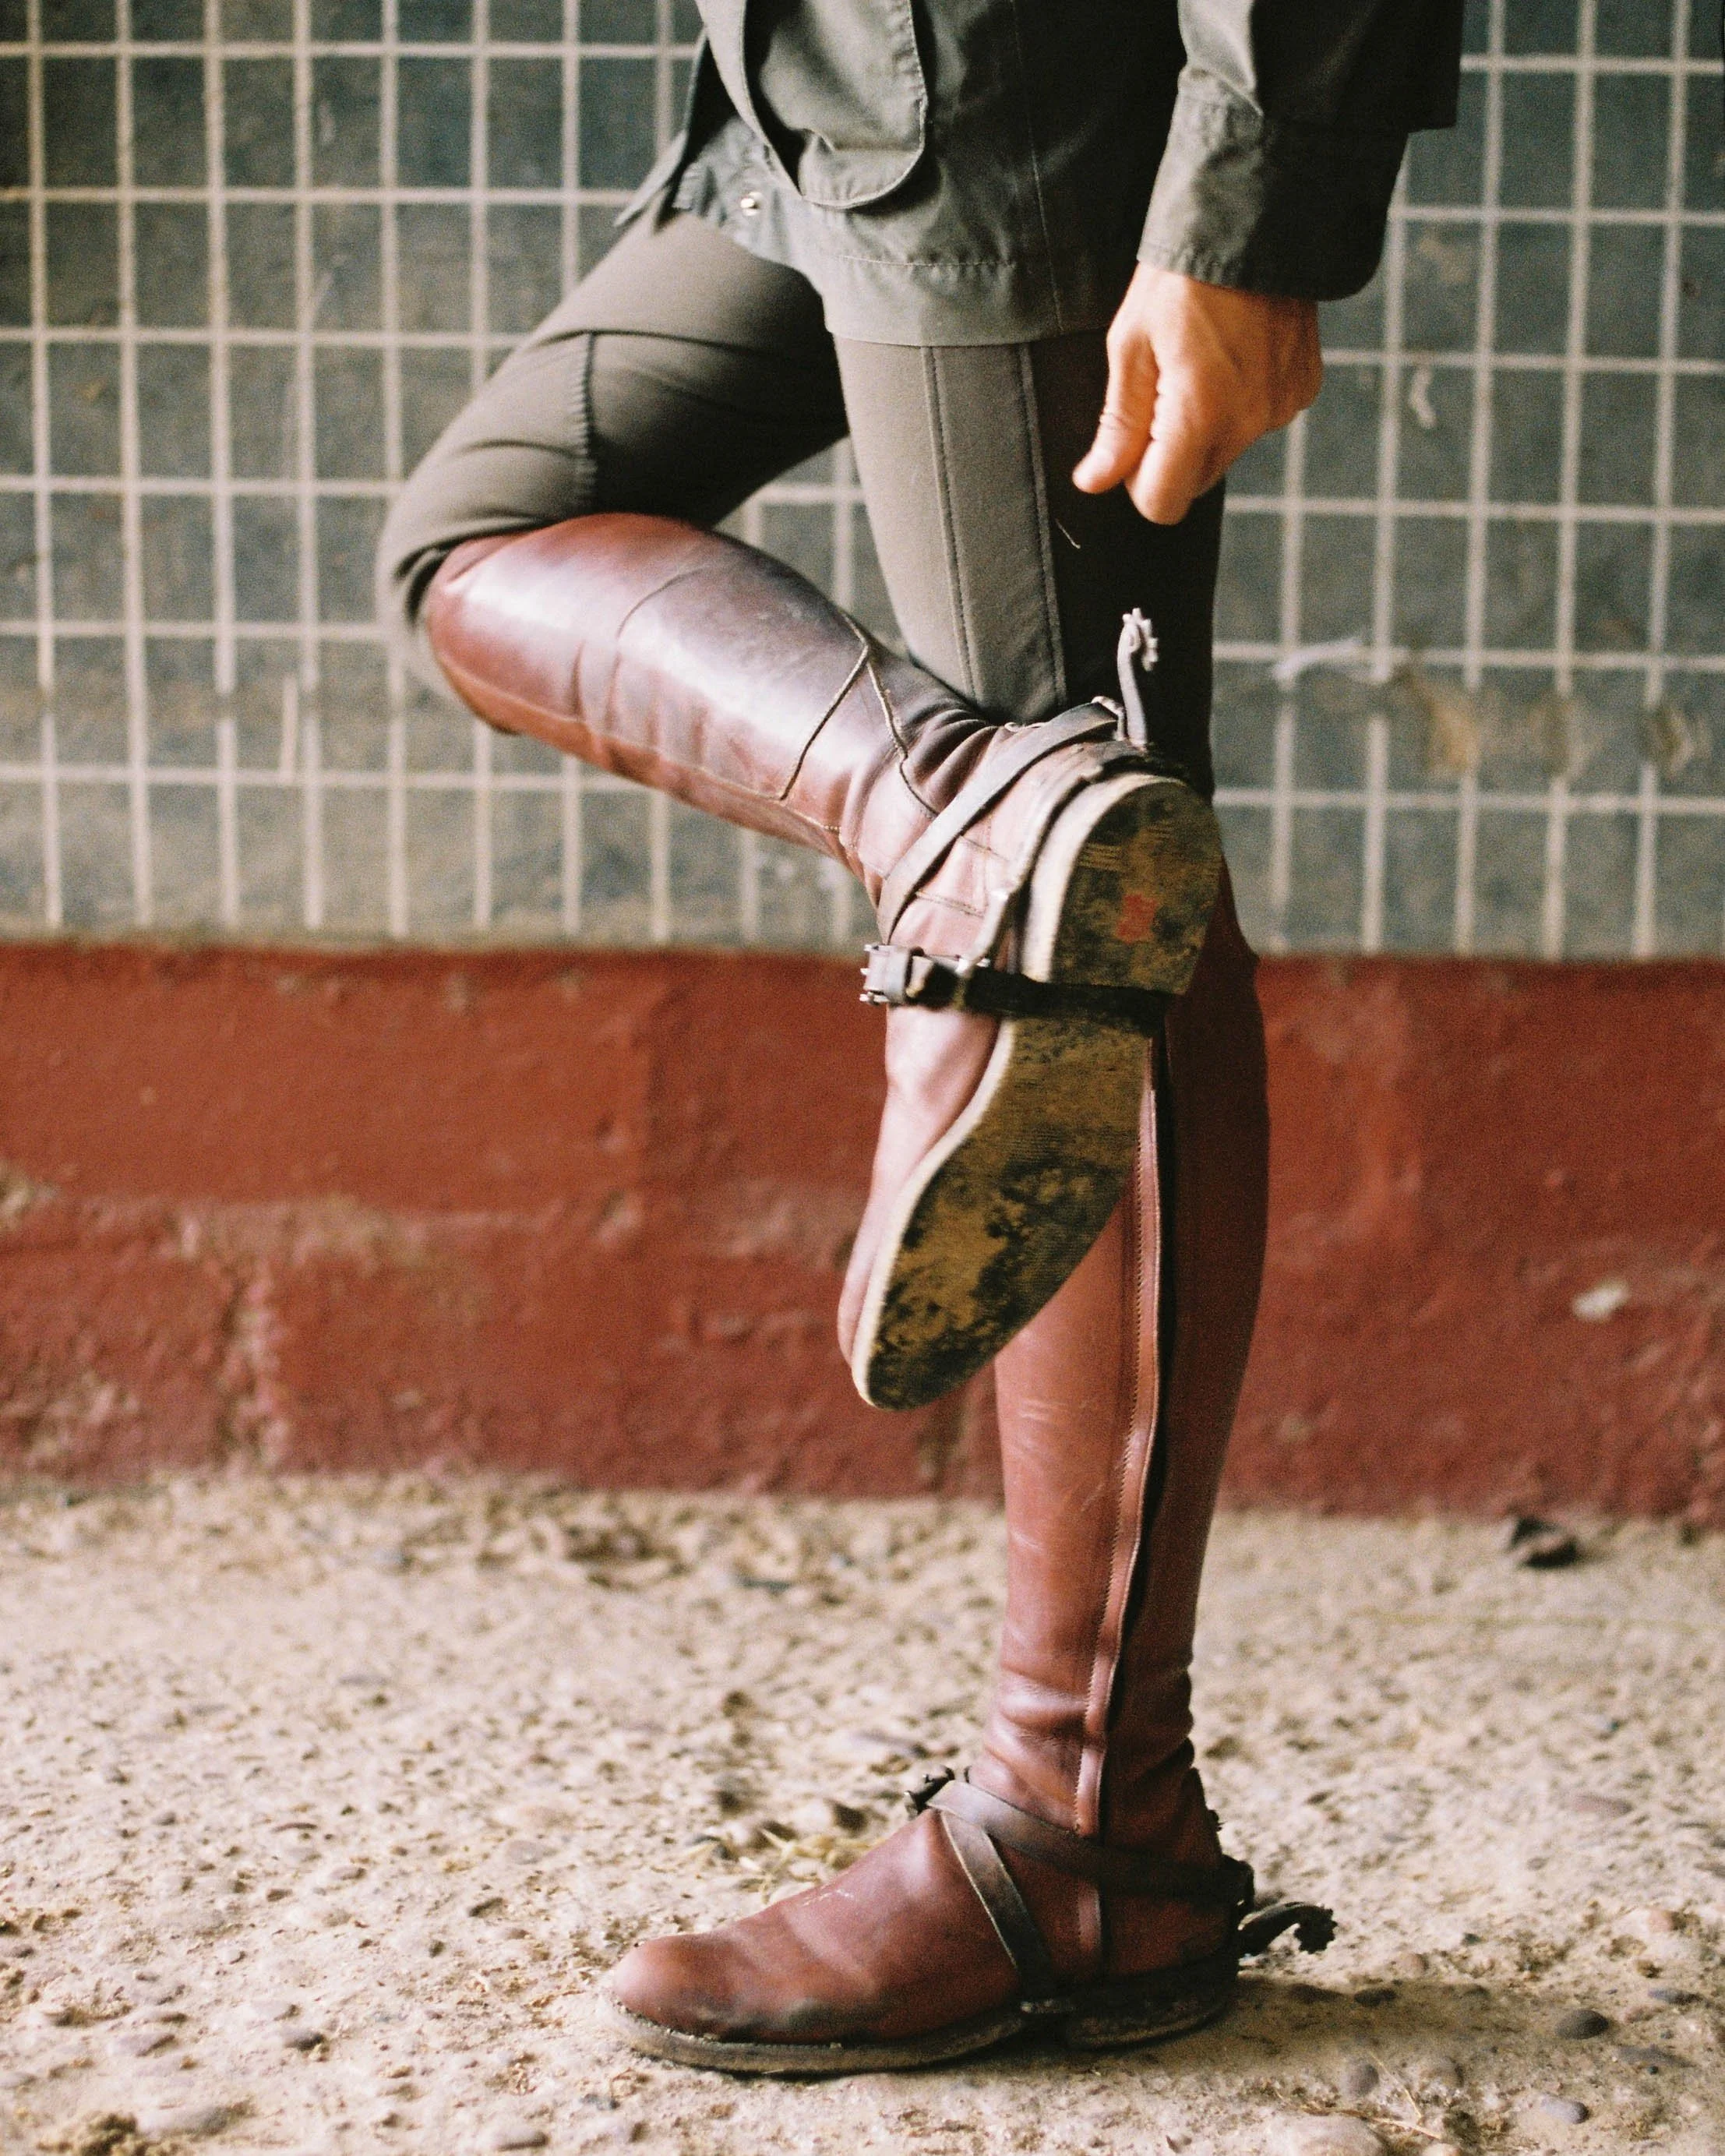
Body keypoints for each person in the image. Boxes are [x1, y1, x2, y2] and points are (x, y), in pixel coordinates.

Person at [377, 0, 1465, 2076]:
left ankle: (1081, 1824)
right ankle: (949, 811)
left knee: (1096, 890)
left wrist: (1249, 200)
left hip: (1009, 115)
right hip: (828, 107)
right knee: (481, 538)